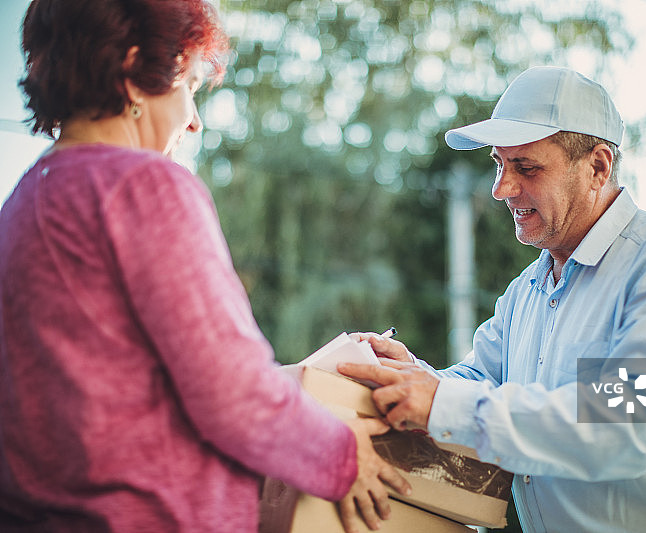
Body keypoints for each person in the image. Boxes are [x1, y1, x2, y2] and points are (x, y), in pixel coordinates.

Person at [0, 1, 408, 532]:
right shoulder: (143, 187)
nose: (193, 120)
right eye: (189, 85)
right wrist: (343, 456)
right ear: (132, 72)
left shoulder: (26, 199)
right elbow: (233, 393)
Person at [340, 66, 646, 532]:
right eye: (499, 164)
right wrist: (414, 376)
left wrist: (439, 400)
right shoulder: (528, 288)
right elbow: (482, 380)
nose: (501, 189)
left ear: (597, 168)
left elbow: (624, 423)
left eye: (527, 167)